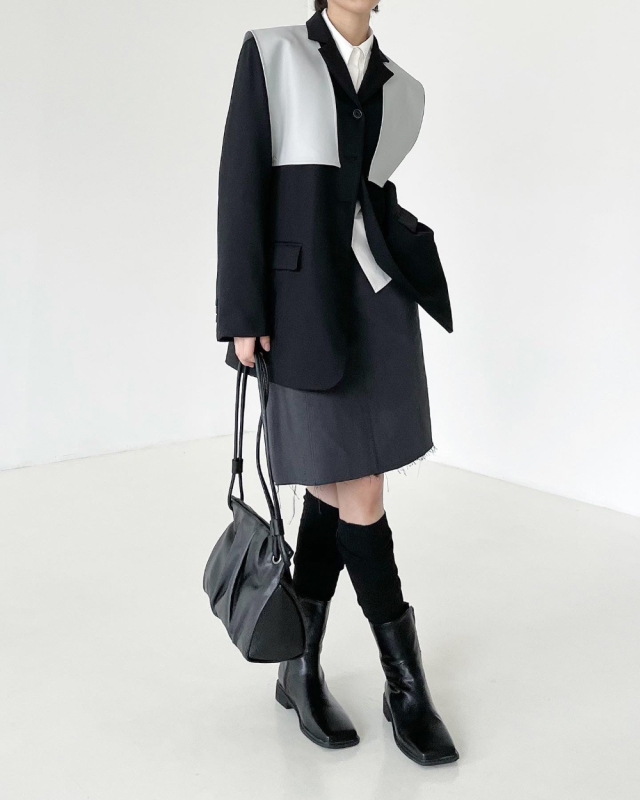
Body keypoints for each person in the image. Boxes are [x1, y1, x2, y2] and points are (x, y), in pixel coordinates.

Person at [215, 0, 458, 766]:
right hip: (300, 309)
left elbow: (368, 194)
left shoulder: (403, 89)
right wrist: (243, 314)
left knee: (335, 488)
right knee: (360, 491)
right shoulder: (273, 54)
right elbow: (241, 184)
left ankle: (300, 666)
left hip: (379, 308)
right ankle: (405, 684)